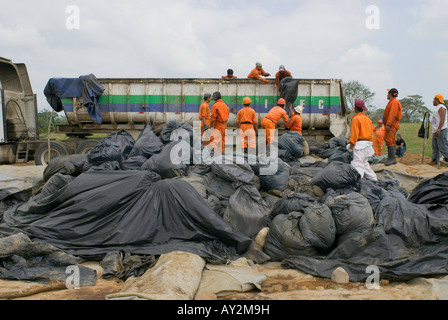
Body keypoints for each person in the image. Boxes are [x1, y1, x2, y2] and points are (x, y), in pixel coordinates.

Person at [348, 100, 377, 181]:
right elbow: (371, 133)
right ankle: (374, 179)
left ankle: (358, 181)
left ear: (355, 108)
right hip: (367, 144)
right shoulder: (368, 119)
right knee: (365, 164)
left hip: (359, 145)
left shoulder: (356, 119)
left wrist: (351, 144)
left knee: (357, 164)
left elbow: (354, 134)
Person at [383, 88, 403, 166]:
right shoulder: (392, 102)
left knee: (390, 140)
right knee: (388, 139)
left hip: (392, 124)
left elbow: (392, 114)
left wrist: (388, 124)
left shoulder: (394, 102)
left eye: (388, 93)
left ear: (391, 94)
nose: (387, 95)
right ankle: (391, 158)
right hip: (391, 124)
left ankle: (392, 159)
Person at [431, 94, 448, 165]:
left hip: (440, 130)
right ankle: (435, 160)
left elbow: (442, 119)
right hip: (435, 130)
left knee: (442, 146)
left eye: (434, 99)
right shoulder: (437, 108)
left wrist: (439, 129)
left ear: (437, 100)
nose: (433, 101)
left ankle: (447, 158)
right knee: (435, 146)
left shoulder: (442, 108)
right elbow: (435, 119)